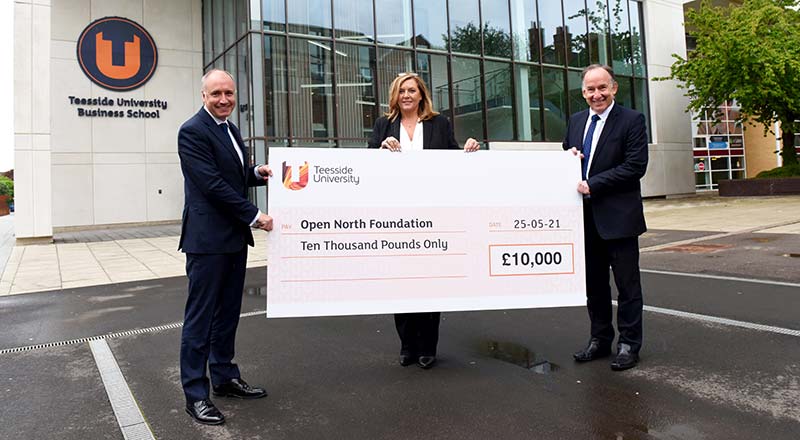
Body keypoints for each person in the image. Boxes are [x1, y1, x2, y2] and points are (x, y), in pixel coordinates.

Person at [177, 69, 274, 425]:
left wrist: (256, 173)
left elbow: (233, 175)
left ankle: (225, 377)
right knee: (200, 320)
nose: (224, 100)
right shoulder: (192, 131)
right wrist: (254, 215)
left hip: (232, 239)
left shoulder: (229, 129)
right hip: (207, 242)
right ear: (203, 95)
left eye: (229, 93)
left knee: (228, 314)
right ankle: (195, 395)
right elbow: (212, 184)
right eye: (216, 93)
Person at [368, 72, 480, 369]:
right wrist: (380, 151)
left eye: (412, 90)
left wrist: (469, 151)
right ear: (395, 95)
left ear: (421, 95)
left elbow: (453, 160)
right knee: (401, 282)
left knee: (431, 281)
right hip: (396, 217)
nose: (406, 95)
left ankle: (428, 346)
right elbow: (366, 167)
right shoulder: (383, 125)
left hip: (433, 215)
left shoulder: (438, 123)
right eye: (401, 90)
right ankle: (407, 345)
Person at [563, 64, 648, 371]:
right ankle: (599, 339)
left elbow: (635, 166)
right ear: (583, 92)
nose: (596, 94)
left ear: (614, 88)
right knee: (594, 286)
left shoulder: (632, 120)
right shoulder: (575, 121)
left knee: (627, 286)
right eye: (590, 89)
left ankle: (628, 344)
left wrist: (594, 184)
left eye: (602, 88)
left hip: (619, 218)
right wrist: (572, 159)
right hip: (584, 219)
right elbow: (567, 158)